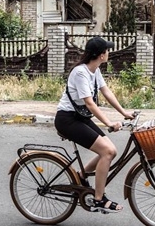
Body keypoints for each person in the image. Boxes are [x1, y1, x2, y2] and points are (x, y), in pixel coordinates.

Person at [54, 36, 134, 213]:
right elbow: (90, 103)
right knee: (107, 151)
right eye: (107, 50)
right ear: (100, 55)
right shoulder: (80, 72)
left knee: (110, 150)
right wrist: (109, 123)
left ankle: (80, 176)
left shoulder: (94, 70)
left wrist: (124, 113)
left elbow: (107, 92)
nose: (109, 53)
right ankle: (98, 199)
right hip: (67, 119)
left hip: (80, 117)